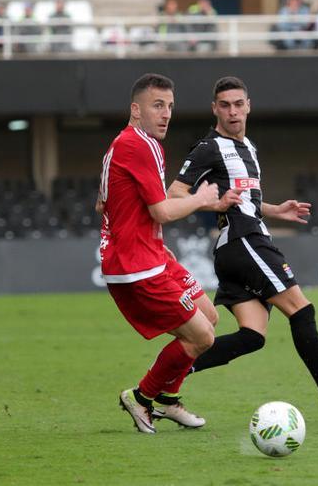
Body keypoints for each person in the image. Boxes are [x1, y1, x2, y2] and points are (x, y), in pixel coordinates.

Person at [167, 76, 318, 418]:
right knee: (301, 309)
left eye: (238, 104)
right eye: (225, 105)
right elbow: (175, 193)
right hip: (244, 240)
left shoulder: (248, 148)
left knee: (252, 336)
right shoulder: (210, 147)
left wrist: (276, 209)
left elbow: (247, 199)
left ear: (248, 105)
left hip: (240, 243)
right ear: (215, 109)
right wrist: (212, 204)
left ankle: (161, 381)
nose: (233, 111)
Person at [99, 73, 242, 433]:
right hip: (137, 265)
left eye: (170, 107)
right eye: (157, 105)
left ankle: (167, 400)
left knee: (209, 317)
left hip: (152, 254)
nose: (166, 114)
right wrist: (200, 199)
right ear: (136, 109)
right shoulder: (138, 145)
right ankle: (141, 397)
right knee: (201, 338)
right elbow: (161, 211)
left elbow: (101, 202)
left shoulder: (131, 143)